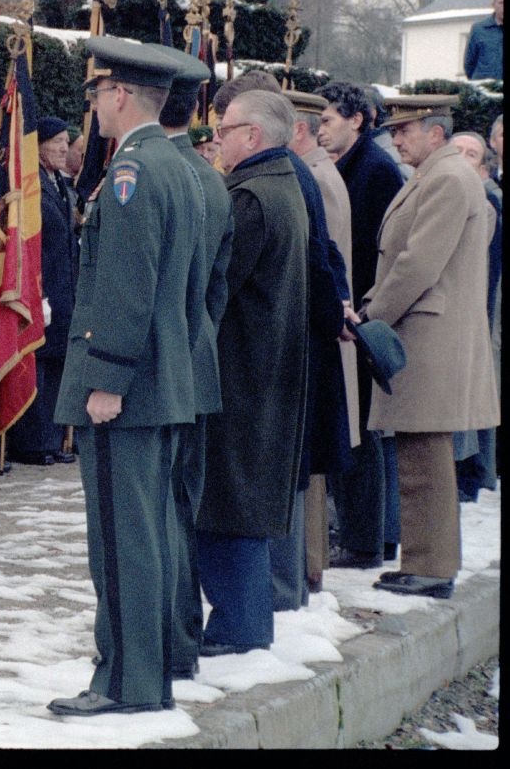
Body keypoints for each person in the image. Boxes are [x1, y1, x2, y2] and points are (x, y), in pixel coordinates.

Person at [47, 36, 200, 717]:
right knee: (152, 532)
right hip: (164, 379)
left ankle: (125, 682)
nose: (95, 108)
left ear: (119, 95)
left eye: (98, 94)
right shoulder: (176, 165)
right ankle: (154, 665)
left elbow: (127, 287)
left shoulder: (136, 172)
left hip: (127, 388)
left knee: (122, 538)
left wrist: (105, 378)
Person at [360, 95, 499, 599]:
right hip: (429, 332)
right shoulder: (442, 175)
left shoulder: (444, 178)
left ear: (435, 133)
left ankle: (432, 566)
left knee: (425, 457)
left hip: (429, 335)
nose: (395, 139)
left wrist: (371, 315)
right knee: (422, 455)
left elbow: (419, 264)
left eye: (405, 130)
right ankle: (425, 561)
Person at [197, 89, 307, 655]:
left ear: (254, 137)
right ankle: (245, 625)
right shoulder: (281, 185)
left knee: (227, 502)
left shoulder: (251, 198)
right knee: (239, 500)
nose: (217, 135)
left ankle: (240, 631)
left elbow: (216, 286)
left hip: (242, 377)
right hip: (265, 373)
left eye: (226, 126)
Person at [150, 43, 231, 679]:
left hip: (161, 367)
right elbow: (215, 290)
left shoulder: (156, 172)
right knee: (182, 504)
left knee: (161, 510)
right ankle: (181, 634)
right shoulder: (208, 176)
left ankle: (171, 641)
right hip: (197, 357)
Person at [318, 80, 405, 570]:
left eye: (329, 119)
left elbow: (377, 251)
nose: (322, 128)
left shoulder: (373, 171)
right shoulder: (354, 165)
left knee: (363, 432)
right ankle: (370, 537)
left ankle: (367, 540)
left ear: (356, 120)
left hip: (359, 317)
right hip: (353, 313)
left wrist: (361, 310)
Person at [281, 90, 359, 602]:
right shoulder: (312, 170)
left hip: (316, 333)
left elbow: (324, 257)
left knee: (309, 460)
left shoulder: (312, 176)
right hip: (320, 329)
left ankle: (310, 563)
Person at [8, 115, 79, 467]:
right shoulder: (31, 184)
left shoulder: (60, 184)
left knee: (55, 366)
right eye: (58, 142)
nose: (65, 148)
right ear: (38, 146)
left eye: (67, 142)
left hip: (63, 289)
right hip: (39, 287)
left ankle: (51, 439)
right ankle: (33, 442)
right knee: (36, 364)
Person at [450, 130, 502, 501]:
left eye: (472, 154)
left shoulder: (485, 205)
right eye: (458, 151)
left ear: (482, 168)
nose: (464, 158)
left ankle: (473, 473)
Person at [464, 0, 503, 81]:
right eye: (502, 3)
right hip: (484, 89)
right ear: (493, 5)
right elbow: (469, 63)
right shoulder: (479, 29)